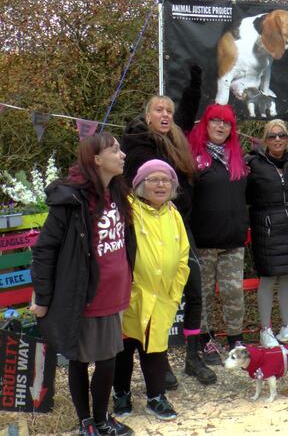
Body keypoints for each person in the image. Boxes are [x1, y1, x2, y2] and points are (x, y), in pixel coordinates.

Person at [31, 133, 135, 436]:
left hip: (114, 292)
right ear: (96, 159)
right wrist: (43, 295)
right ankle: (95, 422)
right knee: (99, 360)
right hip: (87, 296)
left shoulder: (117, 192)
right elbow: (45, 249)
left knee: (96, 358)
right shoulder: (72, 201)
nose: (122, 155)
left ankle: (91, 422)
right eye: (115, 150)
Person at [122, 95, 216, 386]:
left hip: (177, 222)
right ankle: (158, 363)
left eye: (169, 111)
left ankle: (192, 356)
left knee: (195, 288)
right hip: (145, 223)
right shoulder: (134, 142)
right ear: (147, 114)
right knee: (154, 294)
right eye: (159, 110)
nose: (165, 115)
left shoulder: (177, 142)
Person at [112, 160, 190, 421]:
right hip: (131, 296)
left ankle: (156, 397)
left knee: (155, 349)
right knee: (123, 349)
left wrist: (174, 290)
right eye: (153, 180)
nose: (160, 185)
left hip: (163, 297)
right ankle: (120, 393)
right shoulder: (128, 211)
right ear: (140, 185)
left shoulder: (174, 214)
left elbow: (183, 257)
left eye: (166, 180)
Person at [187, 104, 249, 353]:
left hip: (233, 239)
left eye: (227, 123)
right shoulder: (193, 156)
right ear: (206, 123)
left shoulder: (236, 156)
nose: (221, 126)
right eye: (216, 121)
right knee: (203, 294)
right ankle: (203, 339)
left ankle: (236, 338)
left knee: (234, 292)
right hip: (203, 240)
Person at [246, 120, 288, 347]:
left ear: (287, 138)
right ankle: (266, 329)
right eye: (271, 136)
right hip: (266, 226)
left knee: (287, 277)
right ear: (264, 139)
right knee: (268, 279)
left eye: (281, 135)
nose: (277, 139)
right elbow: (245, 195)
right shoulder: (253, 163)